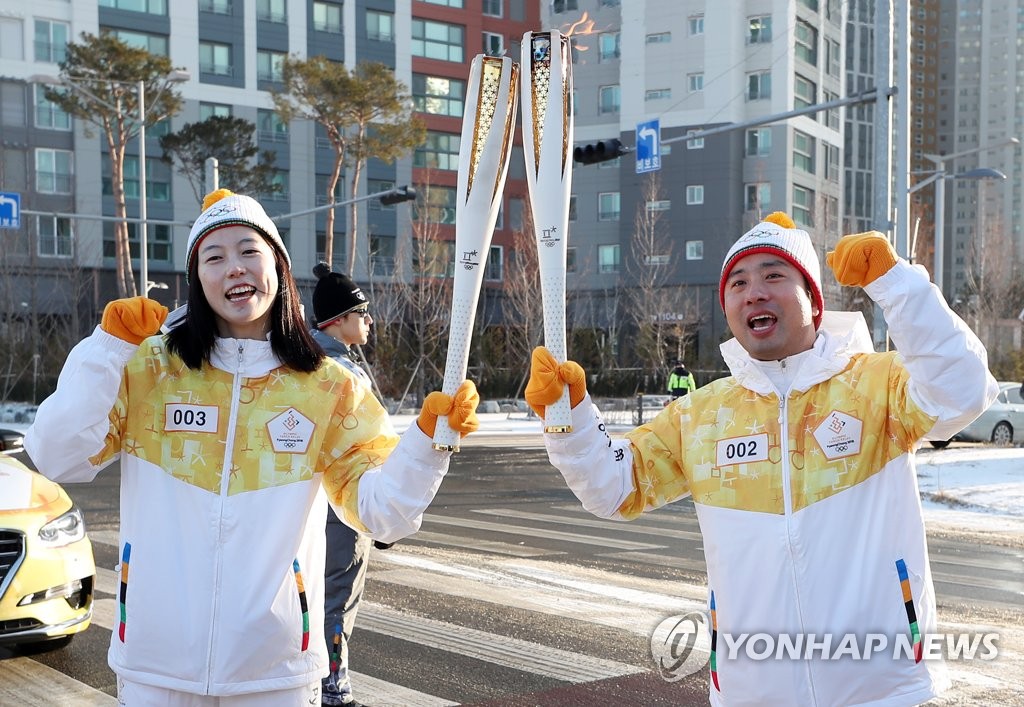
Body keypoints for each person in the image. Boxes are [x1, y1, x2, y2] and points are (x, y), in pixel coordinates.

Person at [25, 189, 479, 707]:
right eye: (214, 258)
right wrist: (106, 350)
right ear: (198, 280)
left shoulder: (329, 387)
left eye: (249, 251)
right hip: (156, 667)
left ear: (278, 268)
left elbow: (384, 516)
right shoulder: (150, 370)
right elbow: (56, 454)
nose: (234, 268)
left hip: (276, 672)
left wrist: (428, 444)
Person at [524, 212, 998, 706]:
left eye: (774, 275)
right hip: (753, 691)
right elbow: (612, 488)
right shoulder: (701, 416)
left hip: (882, 688)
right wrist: (571, 418)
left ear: (814, 301)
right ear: (727, 307)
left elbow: (961, 390)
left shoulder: (875, 387)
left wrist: (898, 283)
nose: (754, 292)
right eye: (739, 283)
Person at [309, 263, 376, 707]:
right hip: (341, 507)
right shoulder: (338, 370)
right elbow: (365, 448)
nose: (369, 320)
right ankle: (332, 693)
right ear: (339, 320)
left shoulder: (321, 360)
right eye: (362, 311)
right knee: (336, 595)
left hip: (329, 504)